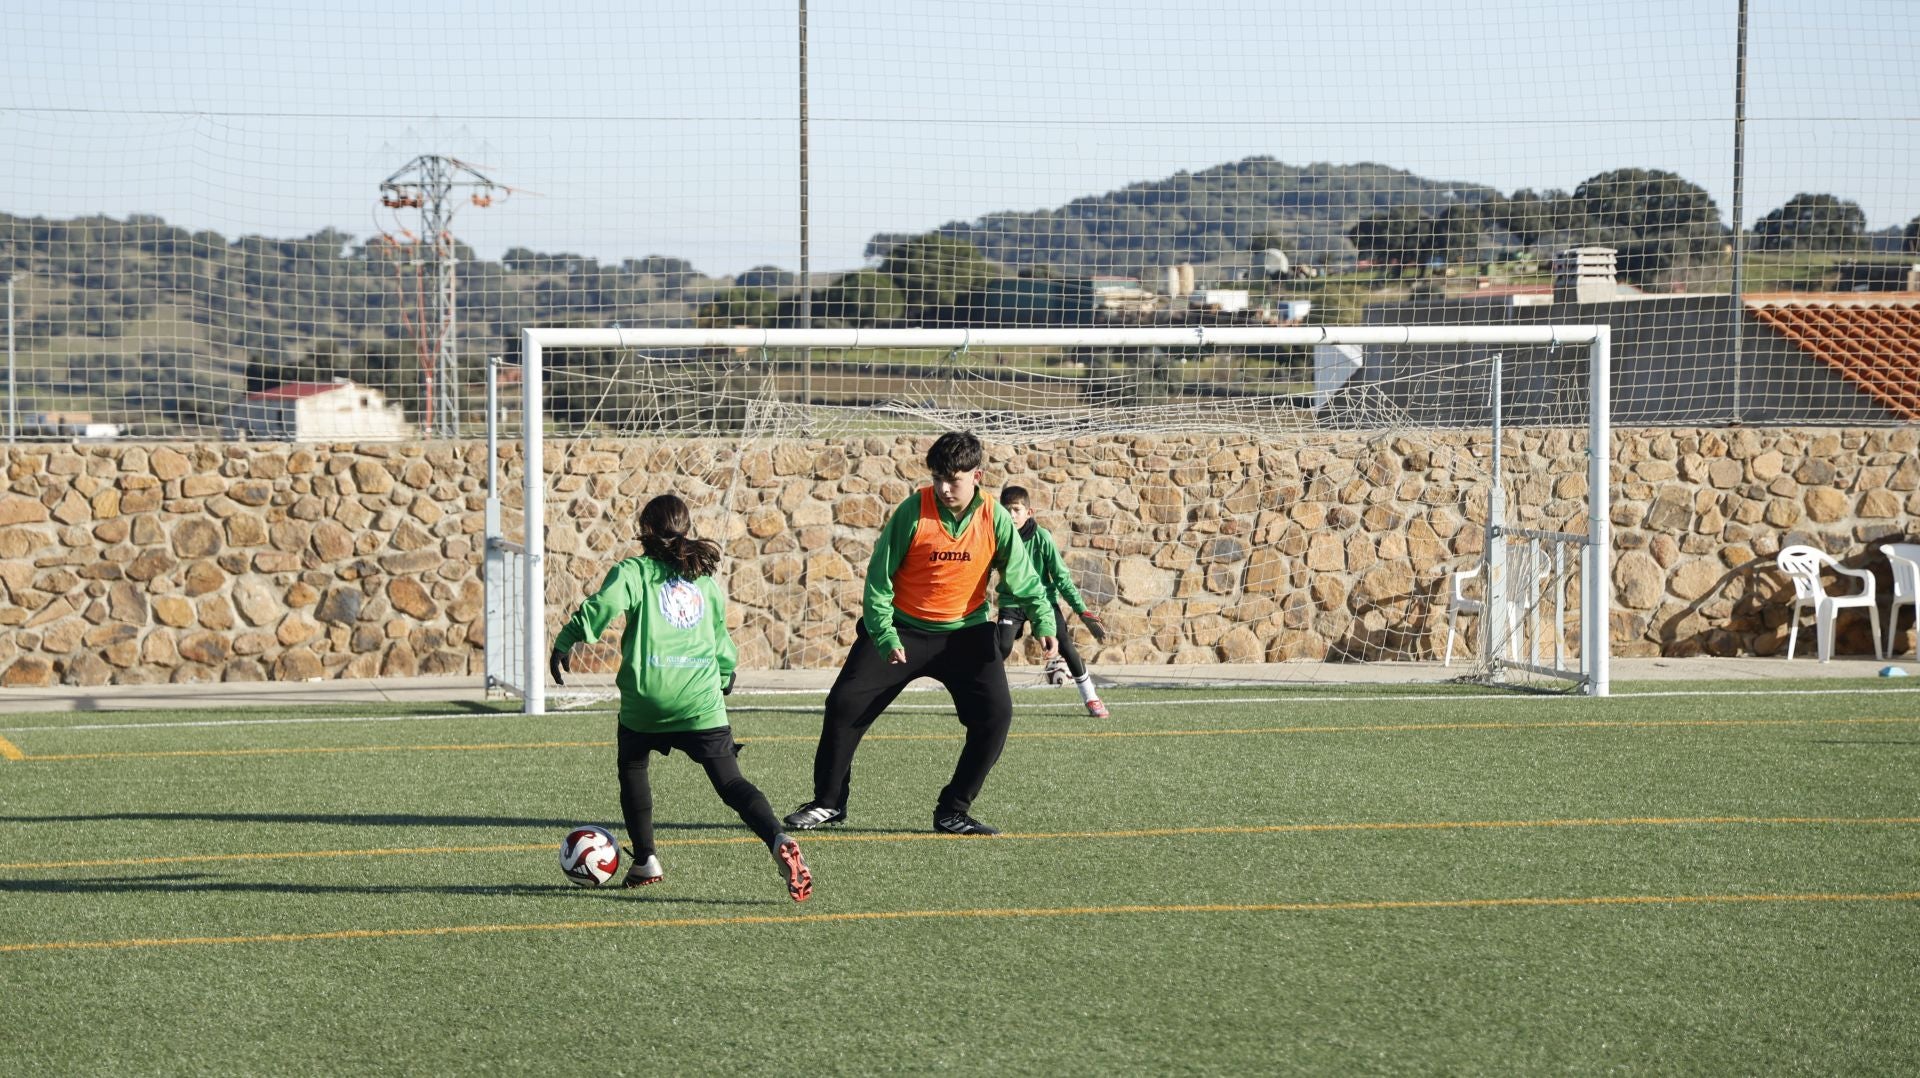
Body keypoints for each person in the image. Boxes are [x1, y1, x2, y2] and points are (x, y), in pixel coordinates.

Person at [783, 431, 1058, 837]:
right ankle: (828, 802)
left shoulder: (995, 517)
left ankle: (953, 810)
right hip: (903, 631)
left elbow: (1022, 577)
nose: (945, 488)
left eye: (955, 479)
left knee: (996, 717)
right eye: (938, 478)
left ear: (977, 475)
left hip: (966, 634)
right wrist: (884, 634)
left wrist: (1043, 620)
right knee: (842, 705)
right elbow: (879, 581)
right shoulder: (912, 512)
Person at [550, 492, 812, 902]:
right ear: (685, 531)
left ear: (646, 531)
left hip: (648, 701)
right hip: (700, 701)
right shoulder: (704, 581)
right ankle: (777, 837)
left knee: (633, 766)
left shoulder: (633, 572)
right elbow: (720, 641)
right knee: (730, 782)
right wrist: (725, 674)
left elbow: (602, 606)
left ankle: (647, 859)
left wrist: (566, 641)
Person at [993, 485, 1111, 718]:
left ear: (1030, 512)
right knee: (1001, 648)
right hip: (1012, 603)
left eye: (1017, 509)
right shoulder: (998, 537)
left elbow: (1061, 578)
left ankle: (1091, 697)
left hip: (1043, 602)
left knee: (1065, 645)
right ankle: (986, 700)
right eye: (1007, 510)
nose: (1011, 515)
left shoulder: (1042, 538)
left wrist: (1082, 611)